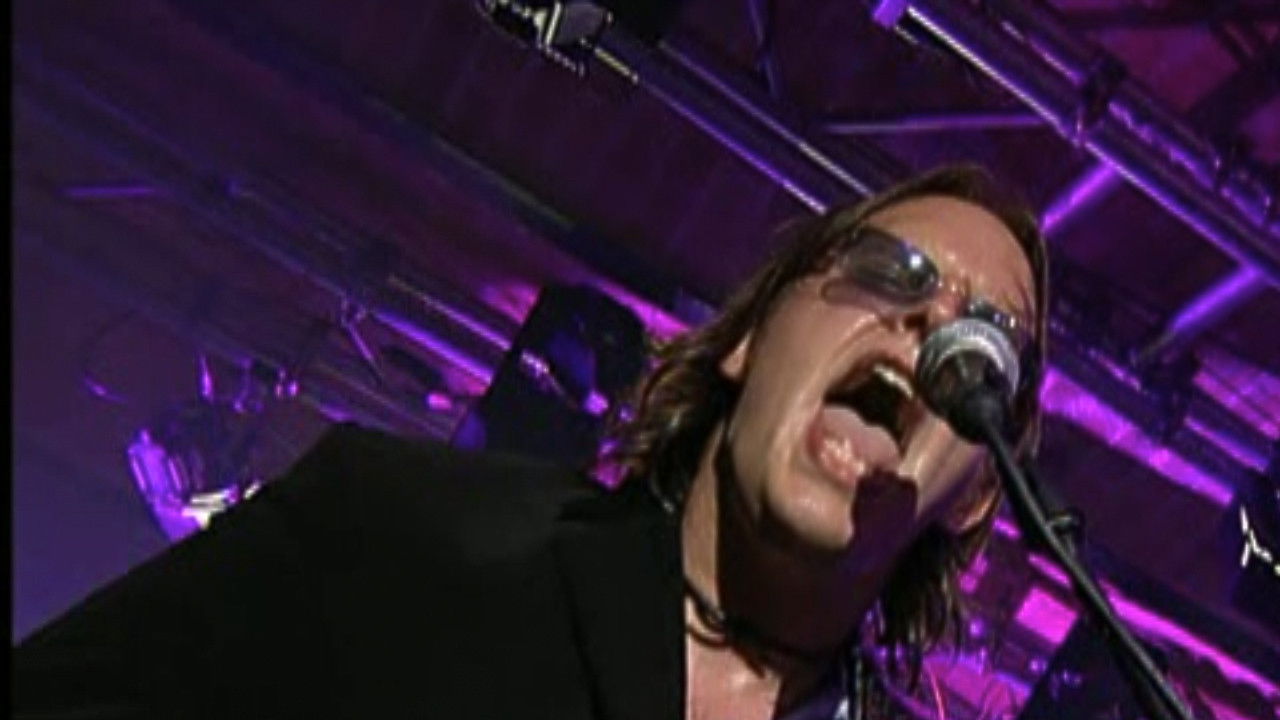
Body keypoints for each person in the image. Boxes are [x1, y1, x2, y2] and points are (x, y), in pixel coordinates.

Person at [13, 164, 1048, 720]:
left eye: (987, 343)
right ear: (745, 341)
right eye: (889, 271)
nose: (931, 328)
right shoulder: (402, 530)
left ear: (974, 496)